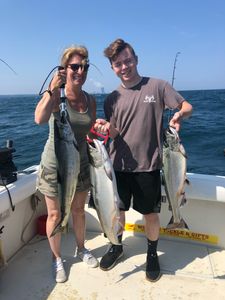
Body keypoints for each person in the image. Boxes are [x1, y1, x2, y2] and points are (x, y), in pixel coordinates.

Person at [94, 38, 193, 282]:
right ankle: (116, 247)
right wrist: (107, 128)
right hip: (116, 166)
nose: (124, 67)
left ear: (136, 59)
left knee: (150, 213)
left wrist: (179, 115)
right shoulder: (111, 99)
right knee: (117, 211)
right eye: (118, 64)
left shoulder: (158, 86)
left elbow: (187, 106)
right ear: (113, 68)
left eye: (127, 60)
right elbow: (116, 131)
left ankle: (152, 254)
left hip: (149, 165)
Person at [35, 45, 99, 283]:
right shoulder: (55, 95)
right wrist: (52, 89)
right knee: (54, 213)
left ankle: (81, 248)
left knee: (78, 210)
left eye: (84, 66)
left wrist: (99, 126)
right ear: (64, 69)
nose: (80, 71)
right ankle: (56, 258)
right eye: (74, 66)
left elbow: (87, 127)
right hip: (55, 164)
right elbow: (39, 119)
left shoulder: (90, 100)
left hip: (81, 162)